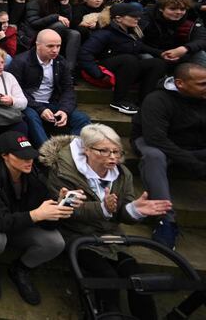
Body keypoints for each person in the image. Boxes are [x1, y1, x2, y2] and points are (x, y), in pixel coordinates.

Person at [40, 124, 173, 317]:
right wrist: (102, 208)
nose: (113, 157)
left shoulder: (122, 174)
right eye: (105, 151)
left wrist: (134, 209)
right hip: (77, 235)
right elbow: (68, 211)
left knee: (138, 277)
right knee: (106, 278)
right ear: (87, 150)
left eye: (116, 152)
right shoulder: (62, 171)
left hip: (111, 238)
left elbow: (122, 212)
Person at [0, 131, 70, 306]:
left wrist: (59, 207)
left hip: (16, 221)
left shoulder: (34, 175)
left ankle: (21, 269)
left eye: (30, 155)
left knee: (55, 242)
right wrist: (35, 215)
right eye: (22, 157)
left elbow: (46, 222)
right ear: (5, 156)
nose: (29, 160)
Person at [132, 63, 206, 250]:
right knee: (153, 156)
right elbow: (156, 139)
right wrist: (196, 166)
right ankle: (166, 220)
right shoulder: (157, 100)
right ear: (180, 83)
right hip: (159, 145)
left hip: (194, 147)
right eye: (202, 84)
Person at [79, 3, 167, 115]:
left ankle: (144, 102)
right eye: (133, 16)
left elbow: (140, 47)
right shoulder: (104, 33)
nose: (138, 18)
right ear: (118, 18)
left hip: (127, 70)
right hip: (105, 71)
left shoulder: (131, 33)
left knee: (157, 63)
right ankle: (119, 101)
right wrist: (99, 74)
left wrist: (162, 53)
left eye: (138, 16)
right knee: (128, 59)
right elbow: (84, 54)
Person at [8, 29, 91, 146]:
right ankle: (46, 154)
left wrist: (64, 110)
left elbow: (68, 89)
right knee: (32, 118)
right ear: (38, 45)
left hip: (52, 102)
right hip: (29, 104)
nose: (55, 50)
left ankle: (72, 151)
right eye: (50, 46)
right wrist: (40, 109)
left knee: (82, 119)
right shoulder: (20, 61)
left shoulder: (61, 62)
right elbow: (16, 91)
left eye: (58, 46)